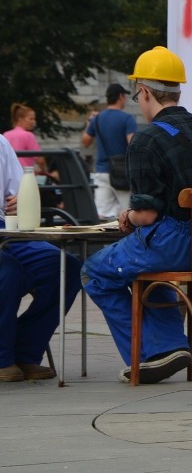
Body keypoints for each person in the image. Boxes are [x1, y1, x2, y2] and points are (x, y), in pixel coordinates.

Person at [81, 46, 192, 384]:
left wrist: (127, 214)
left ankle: (148, 355)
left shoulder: (146, 139)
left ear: (145, 91)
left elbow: (147, 215)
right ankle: (170, 346)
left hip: (176, 244)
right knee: (149, 269)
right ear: (177, 90)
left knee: (94, 272)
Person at [1, 134, 83, 381]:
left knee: (65, 267)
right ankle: (2, 357)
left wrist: (18, 200)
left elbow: (17, 190)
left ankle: (25, 351)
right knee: (8, 271)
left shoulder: (1, 144)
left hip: (7, 228)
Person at [81, 83, 137, 220]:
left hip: (101, 171)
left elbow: (85, 142)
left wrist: (90, 121)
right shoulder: (127, 119)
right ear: (121, 97)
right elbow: (133, 145)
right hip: (122, 173)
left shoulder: (97, 119)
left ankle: (102, 242)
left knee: (102, 215)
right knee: (127, 214)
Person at [3, 103, 52, 177]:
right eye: (31, 119)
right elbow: (40, 160)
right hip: (25, 176)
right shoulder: (28, 135)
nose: (34, 122)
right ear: (20, 119)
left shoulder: (6, 135)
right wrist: (43, 171)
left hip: (7, 176)